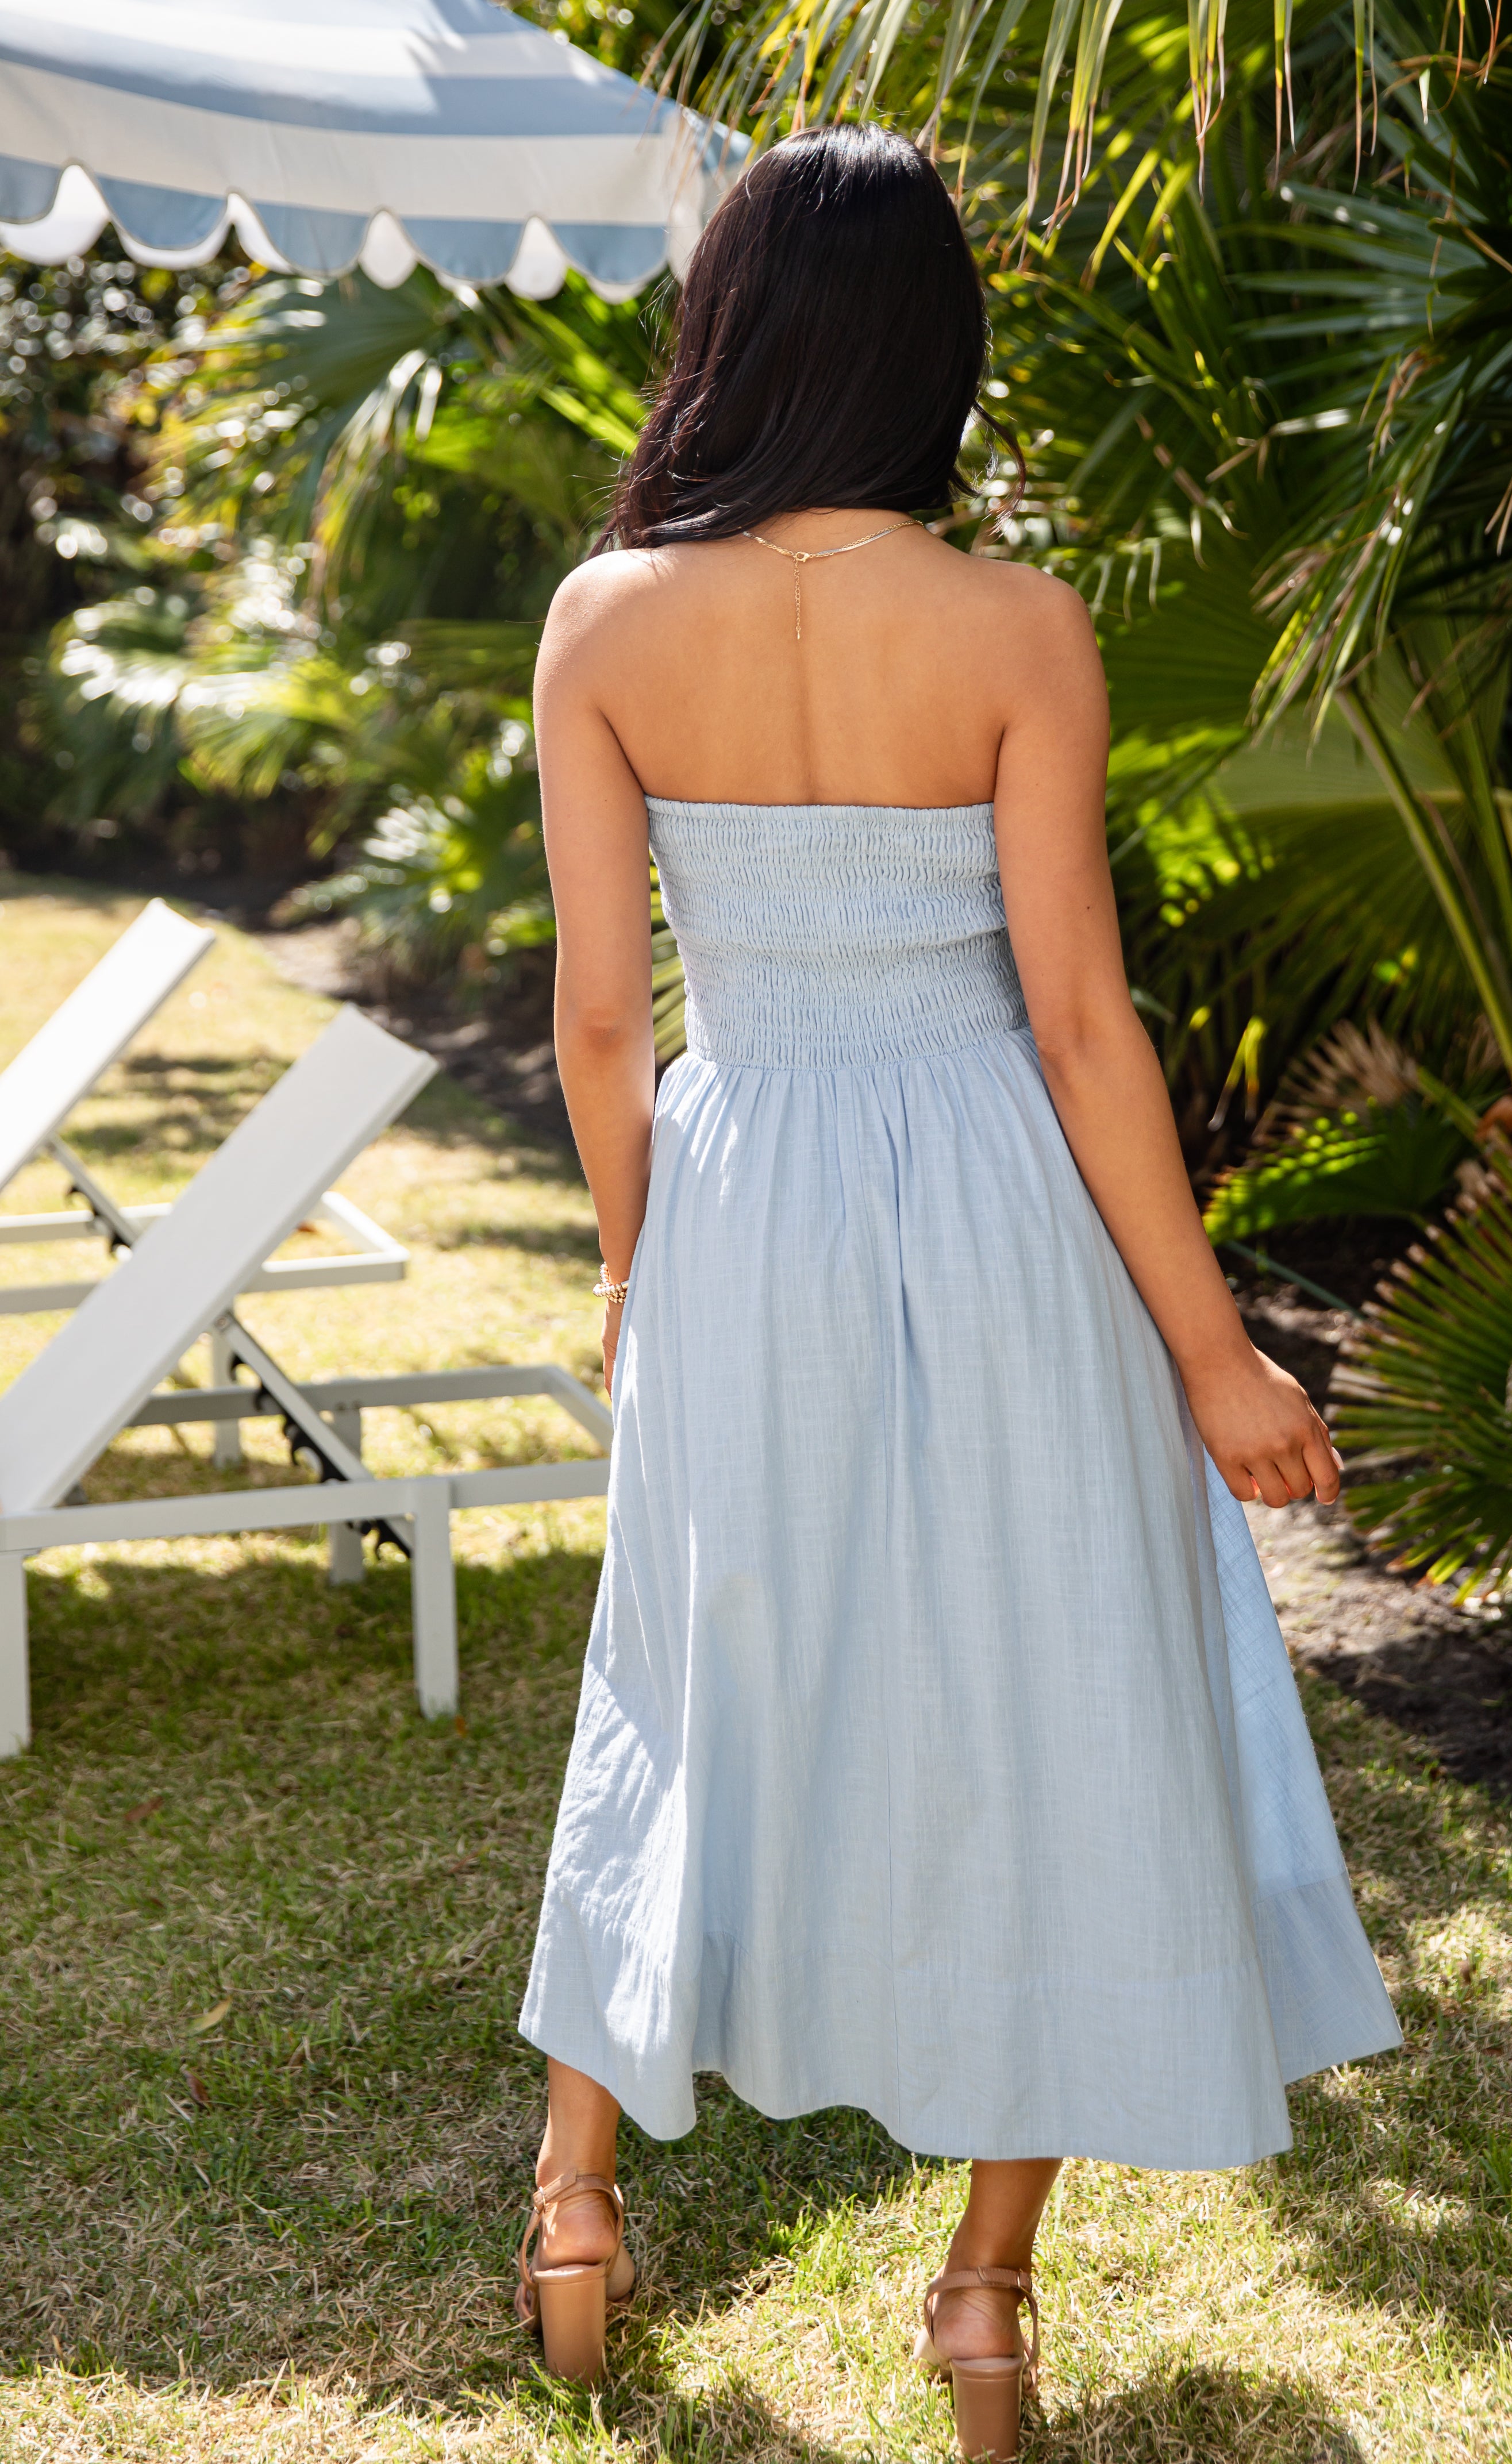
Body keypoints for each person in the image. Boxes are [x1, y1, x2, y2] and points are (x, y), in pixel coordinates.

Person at [515, 121, 1400, 2460]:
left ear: (726, 330)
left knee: (683, 1678)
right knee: (1052, 1680)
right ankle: (985, 2300)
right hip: (1005, 1193)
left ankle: (578, 2208)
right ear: (935, 350)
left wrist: (640, 1270)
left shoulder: (606, 619)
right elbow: (1082, 1021)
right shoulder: (1017, 623)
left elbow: (599, 1024)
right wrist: (1212, 1348)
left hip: (742, 1188)